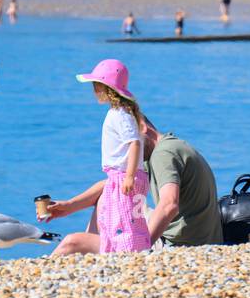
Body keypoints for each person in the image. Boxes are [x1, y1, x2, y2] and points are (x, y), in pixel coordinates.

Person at [45, 117, 222, 253]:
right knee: (108, 193)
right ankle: (98, 250)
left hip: (181, 246)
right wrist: (69, 206)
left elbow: (169, 205)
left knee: (72, 242)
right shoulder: (167, 148)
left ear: (142, 128)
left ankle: (88, 254)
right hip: (199, 237)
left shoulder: (163, 154)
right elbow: (111, 185)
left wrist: (142, 247)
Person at [62, 60, 150, 254]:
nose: (94, 90)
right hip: (119, 176)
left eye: (95, 86)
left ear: (106, 88)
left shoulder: (120, 114)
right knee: (117, 220)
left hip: (124, 176)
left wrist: (129, 176)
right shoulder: (118, 112)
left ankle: (128, 253)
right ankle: (122, 252)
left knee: (126, 222)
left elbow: (134, 142)